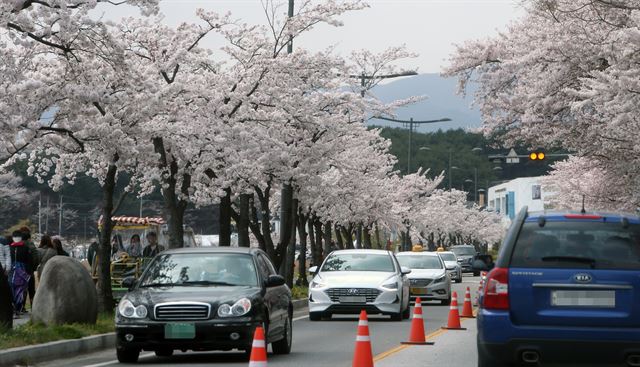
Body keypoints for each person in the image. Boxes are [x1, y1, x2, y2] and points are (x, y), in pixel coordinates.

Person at [9, 230, 32, 318]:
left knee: (13, 289)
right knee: (20, 291)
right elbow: (29, 261)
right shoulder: (26, 248)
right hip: (22, 272)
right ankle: (17, 309)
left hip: (12, 272)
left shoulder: (9, 247)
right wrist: (29, 273)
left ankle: (15, 309)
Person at [20, 227, 39, 314]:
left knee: (21, 289)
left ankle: (21, 307)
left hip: (20, 270)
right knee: (31, 289)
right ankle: (33, 307)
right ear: (29, 237)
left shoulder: (17, 245)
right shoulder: (31, 245)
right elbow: (36, 257)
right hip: (29, 270)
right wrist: (33, 267)